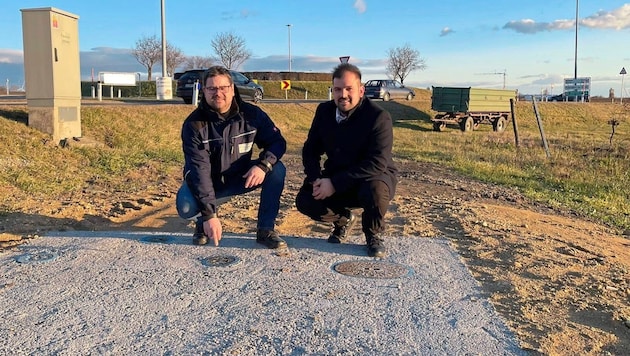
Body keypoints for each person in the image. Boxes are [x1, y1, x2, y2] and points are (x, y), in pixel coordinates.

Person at [176, 65, 287, 249]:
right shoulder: (194, 125)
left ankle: (265, 230)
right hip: (209, 181)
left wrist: (263, 165)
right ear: (204, 90)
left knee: (277, 170)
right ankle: (202, 223)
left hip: (240, 177)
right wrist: (210, 216)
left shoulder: (252, 115)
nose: (218, 93)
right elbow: (200, 172)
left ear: (232, 89)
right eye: (211, 88)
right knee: (186, 205)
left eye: (223, 88)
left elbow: (277, 142)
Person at [295, 63, 397, 258]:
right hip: (337, 173)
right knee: (305, 199)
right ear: (332, 90)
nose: (343, 95)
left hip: (372, 176)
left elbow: (377, 162)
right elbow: (310, 149)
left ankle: (373, 234)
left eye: (349, 89)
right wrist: (316, 178)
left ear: (361, 90)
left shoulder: (378, 117)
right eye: (338, 89)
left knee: (376, 189)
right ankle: (343, 220)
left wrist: (334, 183)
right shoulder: (324, 112)